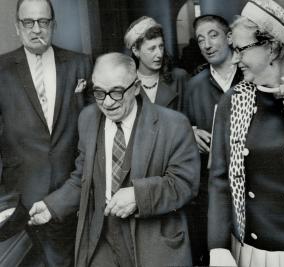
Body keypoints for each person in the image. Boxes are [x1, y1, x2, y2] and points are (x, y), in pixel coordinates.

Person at [33, 52, 200, 267]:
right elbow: (82, 179)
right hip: (103, 239)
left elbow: (185, 184)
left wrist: (138, 196)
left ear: (137, 86)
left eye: (117, 92)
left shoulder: (174, 124)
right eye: (99, 93)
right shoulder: (88, 118)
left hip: (154, 243)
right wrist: (52, 206)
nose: (108, 102)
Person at [208, 0, 284, 266]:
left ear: (272, 48)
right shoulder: (232, 101)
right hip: (253, 250)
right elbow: (219, 179)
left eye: (241, 49)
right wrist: (217, 247)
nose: (235, 58)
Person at [0, 0, 92, 266]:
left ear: (54, 24)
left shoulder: (80, 63)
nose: (36, 29)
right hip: (23, 194)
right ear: (18, 27)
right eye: (28, 22)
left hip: (73, 189)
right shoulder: (2, 69)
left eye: (43, 22)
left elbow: (94, 128)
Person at [183, 14, 243, 266]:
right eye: (200, 40)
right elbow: (183, 127)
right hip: (210, 187)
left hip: (248, 182)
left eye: (213, 35)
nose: (207, 44)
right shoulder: (194, 86)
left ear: (229, 37)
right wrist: (191, 133)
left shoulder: (249, 77)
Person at [124, 16, 188, 111]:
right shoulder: (126, 83)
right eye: (152, 49)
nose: (159, 54)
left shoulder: (179, 78)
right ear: (136, 51)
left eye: (161, 46)